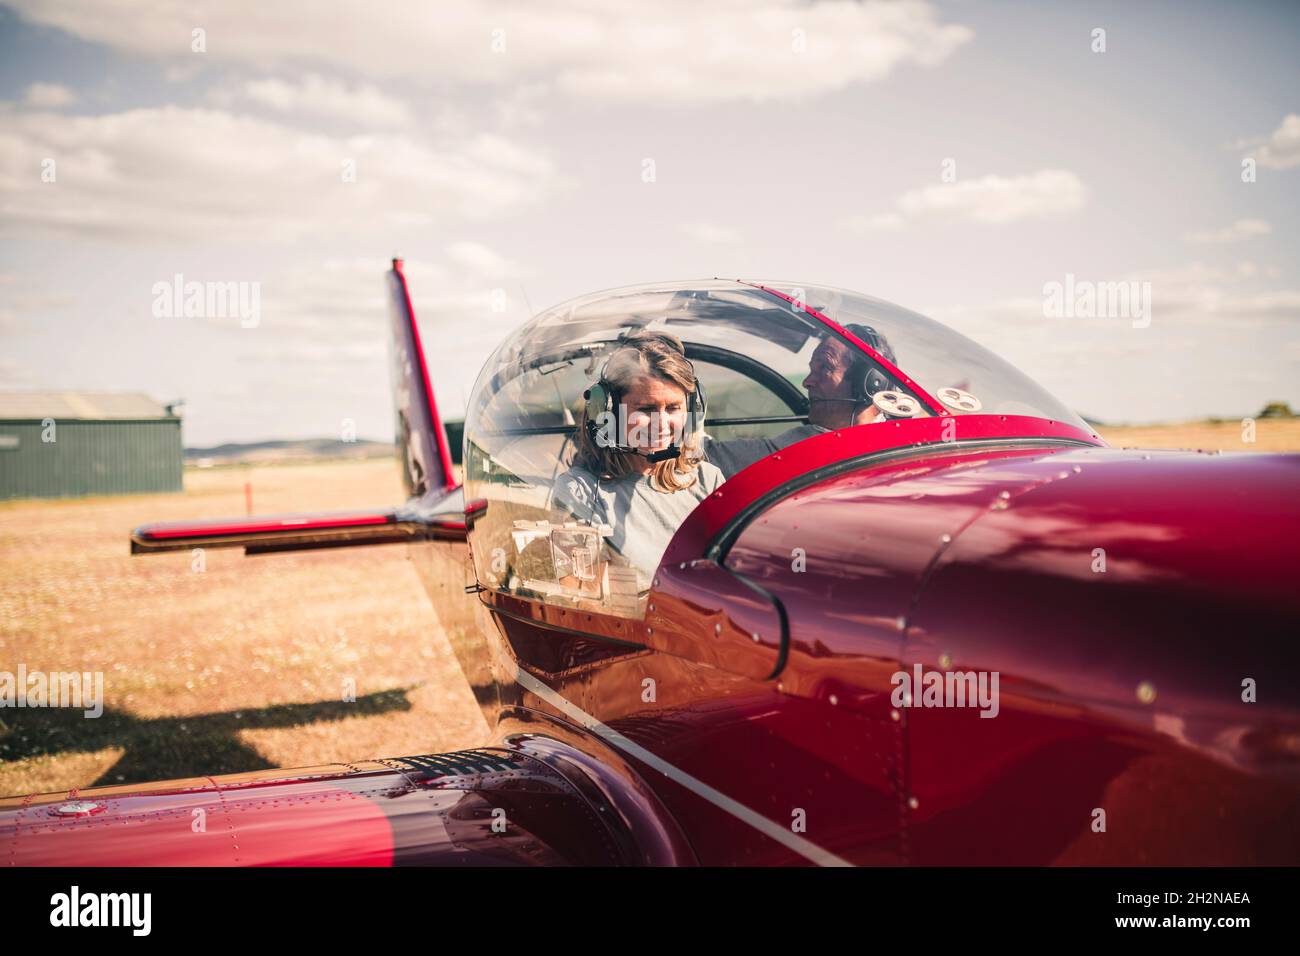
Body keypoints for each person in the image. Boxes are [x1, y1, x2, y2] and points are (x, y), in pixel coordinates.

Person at [551, 331, 725, 594]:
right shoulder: (580, 491)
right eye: (646, 409)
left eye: (674, 408)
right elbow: (584, 598)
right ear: (607, 412)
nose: (662, 424)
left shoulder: (707, 479)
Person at [702, 324, 900, 478]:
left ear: (870, 384)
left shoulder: (798, 448)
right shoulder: (907, 441)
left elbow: (702, 455)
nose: (807, 382)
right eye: (812, 369)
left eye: (825, 368)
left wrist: (690, 400)